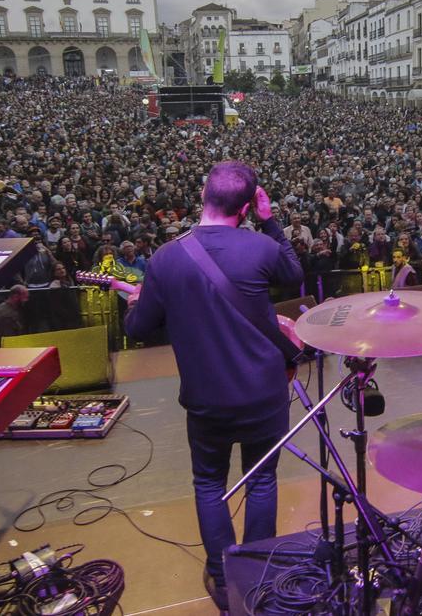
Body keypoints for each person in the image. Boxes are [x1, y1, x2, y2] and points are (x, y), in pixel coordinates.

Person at [123, 161, 302, 611]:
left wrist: (135, 303)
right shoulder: (261, 247)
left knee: (208, 483)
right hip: (265, 392)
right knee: (262, 480)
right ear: (245, 208)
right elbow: (294, 274)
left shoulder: (165, 258)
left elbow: (140, 329)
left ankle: (224, 581)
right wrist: (271, 219)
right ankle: (258, 574)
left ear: (203, 196)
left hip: (207, 400)